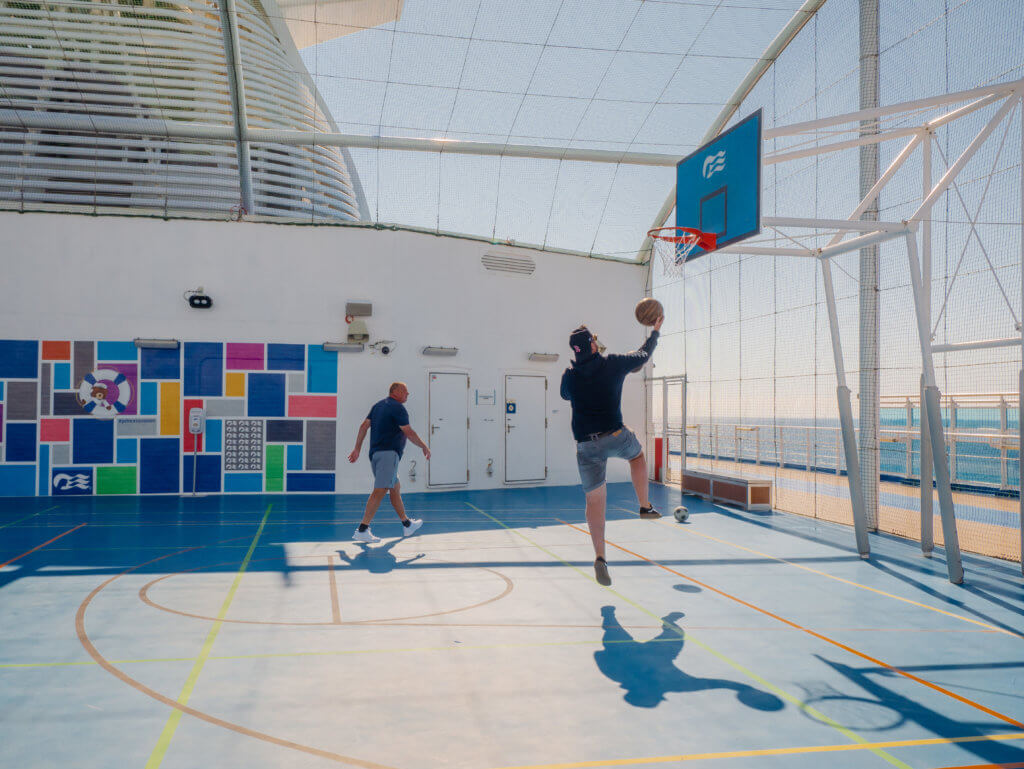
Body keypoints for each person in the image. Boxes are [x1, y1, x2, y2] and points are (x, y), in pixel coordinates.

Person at [561, 317, 662, 586]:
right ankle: (644, 506)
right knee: (638, 456)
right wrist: (654, 333)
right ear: (593, 346)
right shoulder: (613, 364)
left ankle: (600, 557)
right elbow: (642, 355)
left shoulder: (570, 377)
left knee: (595, 501)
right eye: (594, 340)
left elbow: (565, 395)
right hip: (615, 436)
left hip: (586, 445)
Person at [347, 382, 431, 543]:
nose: (408, 394)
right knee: (380, 490)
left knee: (395, 488)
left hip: (376, 455)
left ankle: (407, 524)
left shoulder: (377, 406)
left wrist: (357, 448)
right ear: (397, 391)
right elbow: (409, 432)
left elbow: (364, 426)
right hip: (388, 455)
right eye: (406, 391)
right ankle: (362, 530)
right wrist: (424, 446)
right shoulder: (397, 407)